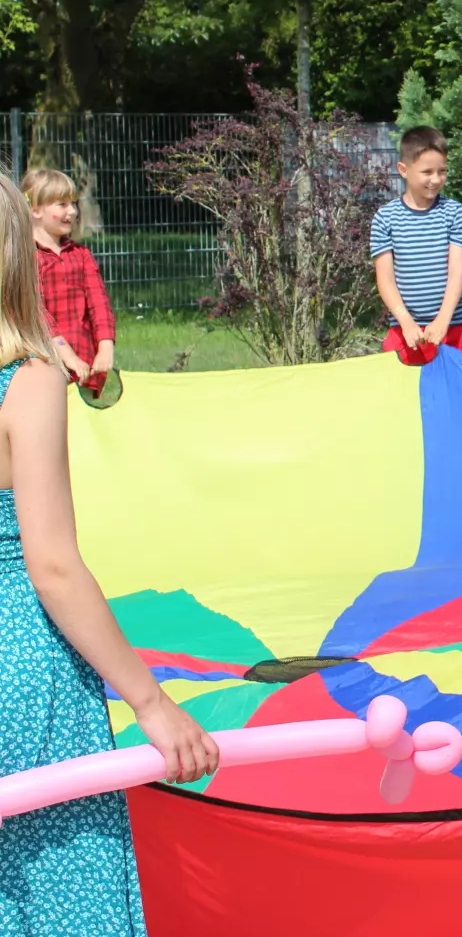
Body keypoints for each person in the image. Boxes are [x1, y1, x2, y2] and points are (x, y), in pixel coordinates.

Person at [0, 174, 219, 933]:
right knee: (61, 887)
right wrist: (151, 701)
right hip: (21, 671)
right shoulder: (25, 383)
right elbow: (52, 566)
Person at [370, 126, 462, 358]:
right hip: (405, 331)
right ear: (403, 169)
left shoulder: (455, 213)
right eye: (427, 171)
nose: (436, 179)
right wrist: (406, 322)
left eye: (442, 171)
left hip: (455, 327)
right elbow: (385, 279)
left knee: (459, 393)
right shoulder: (385, 218)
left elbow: (456, 274)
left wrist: (443, 320)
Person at [23, 167, 116, 386]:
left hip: (83, 368)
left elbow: (99, 304)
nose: (73, 212)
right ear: (35, 209)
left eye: (73, 204)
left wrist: (105, 347)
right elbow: (34, 312)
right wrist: (67, 355)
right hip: (42, 366)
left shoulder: (82, 255)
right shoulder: (25, 258)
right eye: (62, 204)